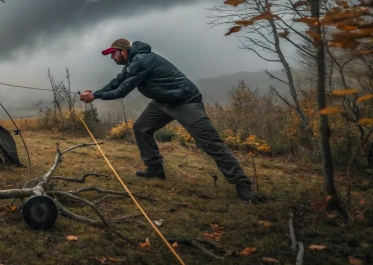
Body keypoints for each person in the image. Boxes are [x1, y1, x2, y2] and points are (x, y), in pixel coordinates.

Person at [79, 38, 258, 203]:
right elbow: (117, 81)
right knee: (141, 128)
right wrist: (94, 93)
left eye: (113, 53)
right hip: (163, 102)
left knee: (211, 143)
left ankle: (242, 185)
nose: (111, 57)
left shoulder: (141, 61)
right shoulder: (134, 63)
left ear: (123, 52)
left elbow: (122, 90)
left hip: (185, 102)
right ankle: (155, 169)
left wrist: (96, 96)